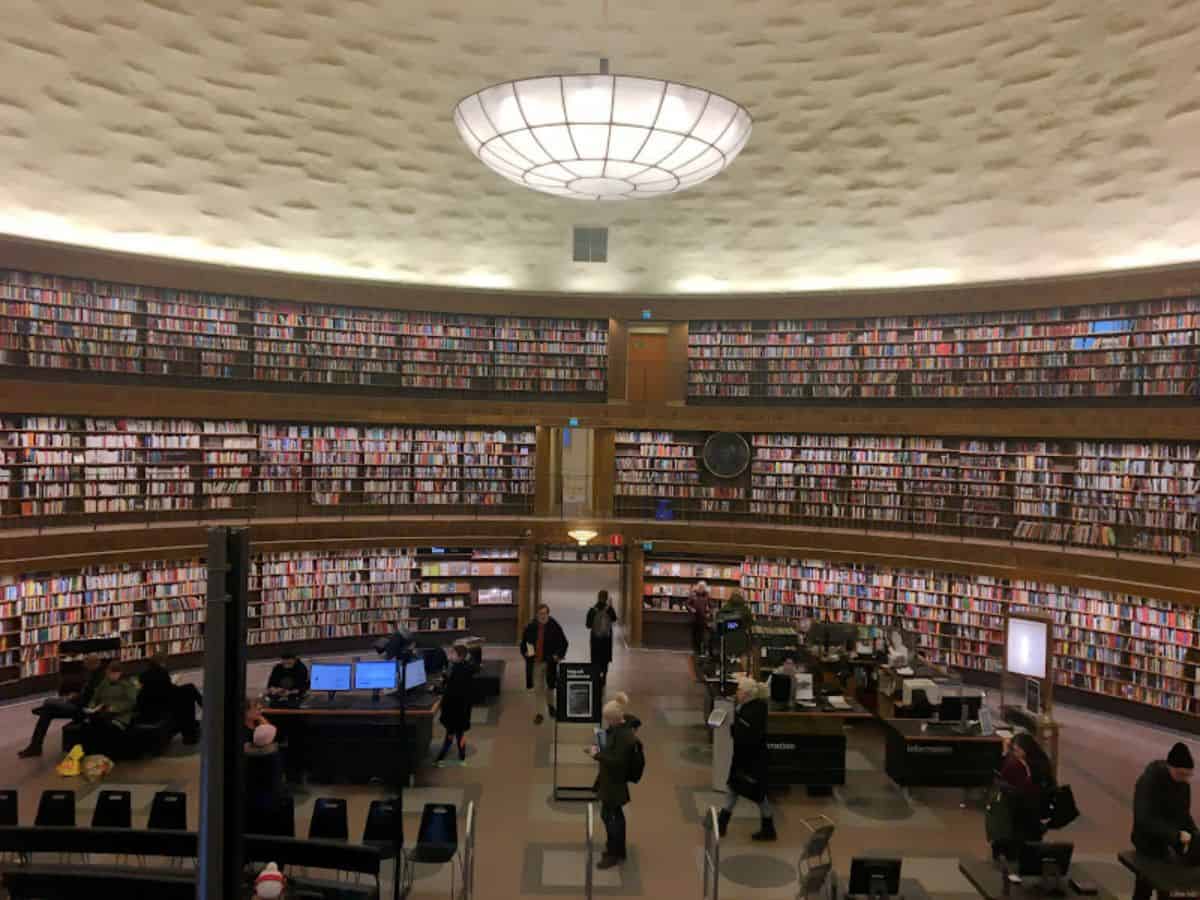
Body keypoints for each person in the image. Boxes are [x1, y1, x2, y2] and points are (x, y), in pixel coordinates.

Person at [1131, 742, 1198, 900]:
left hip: (1170, 844)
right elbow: (1144, 818)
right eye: (1181, 774)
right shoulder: (1149, 781)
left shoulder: (1183, 785)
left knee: (1168, 887)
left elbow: (1184, 815)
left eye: (1188, 775)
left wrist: (1194, 833)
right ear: (1170, 767)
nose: (1184, 779)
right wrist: (1177, 835)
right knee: (1144, 887)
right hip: (1146, 843)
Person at [717, 677, 776, 841]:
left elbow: (745, 737)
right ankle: (722, 824)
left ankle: (767, 828)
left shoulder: (750, 712)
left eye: (739, 690)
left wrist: (733, 729)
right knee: (738, 790)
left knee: (755, 795)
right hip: (750, 760)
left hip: (749, 761)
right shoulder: (754, 708)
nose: (737, 693)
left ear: (747, 694)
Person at [18, 653, 108, 758]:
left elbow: (88, 699)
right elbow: (86, 694)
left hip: (81, 709)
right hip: (79, 704)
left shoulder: (97, 679)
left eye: (86, 664)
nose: (85, 667)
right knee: (47, 711)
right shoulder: (95, 675)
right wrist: (76, 696)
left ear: (92, 664)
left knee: (48, 703)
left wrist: (72, 699)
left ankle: (35, 747)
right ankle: (35, 746)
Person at [588, 693, 640, 869]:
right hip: (611, 781)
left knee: (611, 817)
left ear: (614, 719)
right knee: (613, 815)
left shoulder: (625, 737)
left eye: (608, 720)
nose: (606, 723)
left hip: (614, 783)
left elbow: (617, 761)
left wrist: (597, 755)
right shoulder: (619, 730)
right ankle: (617, 849)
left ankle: (614, 853)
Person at [992, 732, 1054, 860]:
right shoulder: (1015, 762)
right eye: (1014, 750)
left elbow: (1041, 788)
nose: (1015, 753)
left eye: (1017, 750)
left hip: (1031, 808)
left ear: (1026, 749)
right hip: (1020, 806)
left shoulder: (1038, 765)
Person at [80, 660, 140, 757]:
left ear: (119, 673)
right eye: (108, 674)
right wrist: (92, 707)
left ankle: (105, 756)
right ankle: (89, 755)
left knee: (106, 727)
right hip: (102, 713)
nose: (110, 676)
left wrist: (114, 708)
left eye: (113, 674)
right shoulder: (104, 683)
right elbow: (95, 698)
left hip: (120, 716)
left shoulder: (127, 685)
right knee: (86, 725)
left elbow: (131, 702)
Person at [522, 604, 568, 725]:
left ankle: (551, 706)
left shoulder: (554, 626)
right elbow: (524, 643)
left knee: (550, 687)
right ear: (537, 614)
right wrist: (525, 653)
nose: (542, 616)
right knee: (538, 689)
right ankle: (539, 713)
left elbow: (564, 642)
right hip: (536, 663)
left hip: (549, 662)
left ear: (548, 614)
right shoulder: (530, 627)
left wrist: (558, 655)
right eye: (540, 614)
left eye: (545, 613)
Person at [435, 644, 477, 766]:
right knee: (460, 734)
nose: (449, 655)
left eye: (452, 653)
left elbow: (450, 690)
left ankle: (443, 755)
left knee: (450, 733)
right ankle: (461, 755)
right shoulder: (467, 667)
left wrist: (438, 690)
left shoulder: (457, 670)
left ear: (460, 657)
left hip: (453, 709)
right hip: (463, 709)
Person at [586, 591, 618, 682]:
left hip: (595, 640)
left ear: (598, 597)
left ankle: (595, 679)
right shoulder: (609, 610)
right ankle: (603, 679)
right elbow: (614, 619)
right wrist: (611, 606)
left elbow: (588, 625)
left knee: (595, 660)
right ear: (606, 598)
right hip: (606, 641)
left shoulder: (592, 610)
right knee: (605, 662)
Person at [688, 581, 711, 656]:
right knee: (695, 635)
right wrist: (691, 609)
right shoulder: (693, 594)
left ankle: (703, 651)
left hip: (703, 619)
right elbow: (687, 604)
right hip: (694, 618)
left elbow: (710, 605)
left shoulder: (707, 595)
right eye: (700, 587)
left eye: (703, 587)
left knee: (703, 636)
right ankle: (695, 651)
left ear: (705, 588)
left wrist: (708, 612)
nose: (701, 588)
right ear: (697, 587)